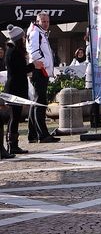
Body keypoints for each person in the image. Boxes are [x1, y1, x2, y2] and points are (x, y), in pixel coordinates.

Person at [4, 25, 43, 157]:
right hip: (15, 88)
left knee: (15, 116)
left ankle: (12, 143)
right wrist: (33, 65)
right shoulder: (13, 52)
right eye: (23, 37)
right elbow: (21, 70)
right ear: (20, 39)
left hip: (15, 87)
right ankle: (12, 144)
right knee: (14, 117)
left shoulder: (11, 51)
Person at [26, 12, 60, 143]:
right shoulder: (36, 32)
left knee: (36, 102)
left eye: (47, 21)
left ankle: (33, 134)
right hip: (40, 71)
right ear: (38, 21)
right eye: (43, 21)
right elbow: (33, 51)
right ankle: (42, 134)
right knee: (40, 103)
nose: (46, 23)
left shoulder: (40, 32)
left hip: (41, 70)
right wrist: (43, 64)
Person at [84, 31, 101, 128]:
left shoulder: (94, 45)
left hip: (96, 71)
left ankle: (96, 119)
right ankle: (94, 120)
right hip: (92, 73)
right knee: (94, 99)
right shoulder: (91, 46)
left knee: (97, 99)